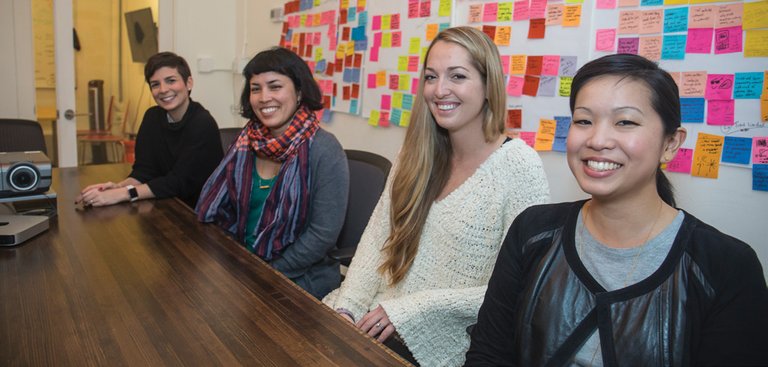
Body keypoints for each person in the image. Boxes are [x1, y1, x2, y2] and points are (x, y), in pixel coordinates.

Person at [466, 54, 768, 366]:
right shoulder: (533, 232)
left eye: (625, 122)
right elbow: (488, 355)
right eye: (584, 121)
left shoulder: (726, 267)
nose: (598, 140)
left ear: (671, 143)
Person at [322, 27, 550, 366]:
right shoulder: (415, 154)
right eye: (431, 77)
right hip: (376, 320)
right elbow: (375, 242)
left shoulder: (519, 166)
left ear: (488, 85)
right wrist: (347, 308)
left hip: (449, 345)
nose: (440, 90)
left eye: (457, 76)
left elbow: (522, 287)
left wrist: (411, 309)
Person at [196, 47, 349, 300]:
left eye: (275, 86)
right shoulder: (245, 142)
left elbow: (322, 234)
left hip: (298, 279)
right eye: (256, 88)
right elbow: (220, 208)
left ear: (299, 92)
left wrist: (266, 272)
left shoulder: (324, 149)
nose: (264, 97)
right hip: (243, 267)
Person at [75, 52, 223, 209]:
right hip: (167, 204)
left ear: (189, 83)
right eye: (155, 84)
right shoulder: (152, 117)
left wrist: (124, 194)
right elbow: (144, 171)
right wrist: (117, 188)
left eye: (171, 81)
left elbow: (178, 182)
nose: (163, 89)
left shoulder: (203, 123)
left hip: (201, 212)